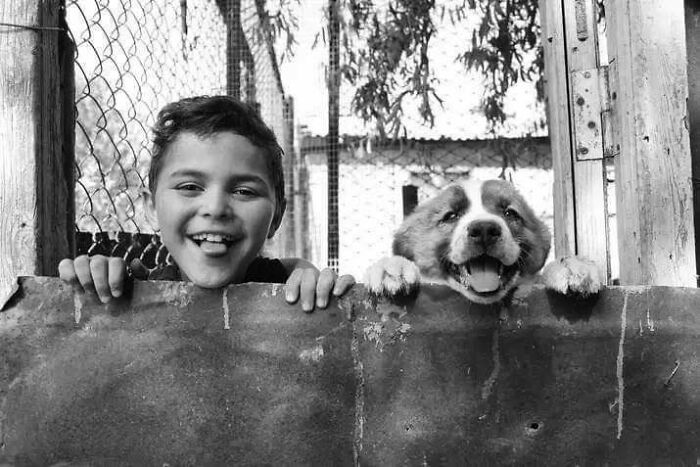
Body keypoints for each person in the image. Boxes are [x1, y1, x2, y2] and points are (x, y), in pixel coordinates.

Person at [59, 95, 354, 312]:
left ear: (276, 217)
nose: (215, 208)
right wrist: (94, 277)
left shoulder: (289, 287)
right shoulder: (133, 289)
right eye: (189, 187)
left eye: (244, 192)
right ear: (151, 210)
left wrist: (310, 280)